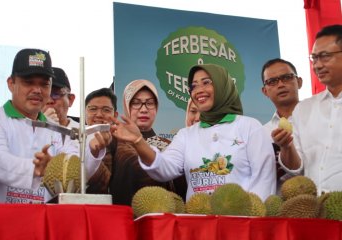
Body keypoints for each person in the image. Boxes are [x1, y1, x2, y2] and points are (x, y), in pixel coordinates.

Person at [111, 64, 276, 201]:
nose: (198, 90)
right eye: (193, 86)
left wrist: (250, 220)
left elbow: (264, 180)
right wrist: (139, 140)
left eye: (206, 82)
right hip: (197, 226)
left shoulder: (250, 127)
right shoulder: (186, 135)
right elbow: (163, 169)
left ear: (222, 85)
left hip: (242, 225)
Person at [0, 48, 110, 203]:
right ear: (11, 83)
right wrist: (35, 169)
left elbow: (73, 171)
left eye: (44, 84)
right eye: (28, 82)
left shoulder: (56, 129)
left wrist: (93, 151)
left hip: (42, 221)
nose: (37, 90)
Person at [273, 24, 342, 195]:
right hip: (314, 211)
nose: (317, 65)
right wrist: (286, 147)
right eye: (314, 58)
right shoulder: (303, 109)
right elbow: (296, 169)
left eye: (324, 56)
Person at [109, 79, 176, 205]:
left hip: (161, 217)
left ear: (156, 108)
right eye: (136, 103)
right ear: (126, 106)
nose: (144, 109)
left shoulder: (169, 144)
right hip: (124, 217)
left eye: (150, 103)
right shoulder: (114, 140)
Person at [261, 58, 303, 191]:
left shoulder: (322, 119)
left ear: (299, 82)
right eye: (272, 81)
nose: (280, 85)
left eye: (286, 77)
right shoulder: (262, 133)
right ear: (265, 91)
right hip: (280, 208)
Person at [85, 88, 118, 194]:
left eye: (106, 110)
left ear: (115, 115)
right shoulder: (72, 138)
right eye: (93, 109)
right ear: (84, 112)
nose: (99, 114)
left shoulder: (123, 144)